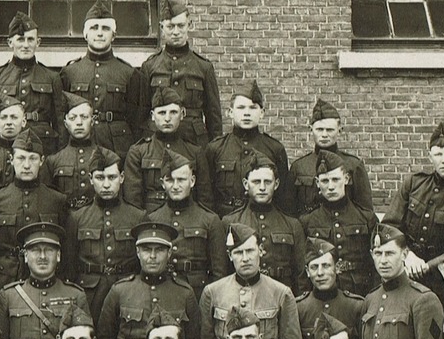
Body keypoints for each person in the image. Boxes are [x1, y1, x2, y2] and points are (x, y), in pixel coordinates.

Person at [383, 121, 444, 304]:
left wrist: (428, 266)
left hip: (437, 281)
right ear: (430, 157)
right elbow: (388, 227)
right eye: (438, 154)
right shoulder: (413, 183)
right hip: (402, 271)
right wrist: (407, 255)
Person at [96, 220, 203, 339]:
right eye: (146, 250)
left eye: (159, 250)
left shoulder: (184, 293)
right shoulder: (120, 291)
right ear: (138, 253)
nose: (152, 256)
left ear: (169, 253)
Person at [198, 223, 302, 339]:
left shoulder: (281, 292)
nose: (245, 258)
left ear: (261, 251)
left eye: (250, 251)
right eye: (238, 252)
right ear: (229, 256)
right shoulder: (212, 292)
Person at [0, 130, 68, 302]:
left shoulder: (56, 200)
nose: (27, 165)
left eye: (33, 158)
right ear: (11, 160)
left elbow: (66, 251)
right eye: (21, 158)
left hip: (46, 280)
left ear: (42, 161)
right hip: (4, 278)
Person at [0, 221, 90, 339]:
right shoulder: (9, 295)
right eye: (36, 250)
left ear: (58, 256)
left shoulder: (76, 295)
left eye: (49, 250)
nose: (43, 257)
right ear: (25, 256)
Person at [65, 147, 143, 320]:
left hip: (127, 293)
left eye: (112, 177)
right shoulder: (77, 218)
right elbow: (69, 266)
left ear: (122, 178)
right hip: (89, 294)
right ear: (91, 179)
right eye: (100, 178)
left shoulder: (137, 217)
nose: (106, 184)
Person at [132, 0, 221, 147]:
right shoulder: (150, 66)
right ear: (161, 28)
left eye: (181, 26)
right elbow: (142, 113)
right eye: (170, 26)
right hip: (158, 140)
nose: (176, 32)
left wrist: (215, 150)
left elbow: (214, 117)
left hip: (193, 141)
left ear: (189, 25)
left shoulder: (203, 67)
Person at [58, 0, 139, 158]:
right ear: (85, 34)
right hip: (80, 143)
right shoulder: (70, 72)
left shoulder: (128, 73)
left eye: (105, 28)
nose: (100, 33)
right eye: (94, 28)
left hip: (117, 145)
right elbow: (62, 116)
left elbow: (136, 119)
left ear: (114, 35)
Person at [0, 12, 64, 155]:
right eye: (20, 39)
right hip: (6, 148)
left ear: (38, 42)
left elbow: (60, 125)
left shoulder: (52, 77)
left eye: (31, 39)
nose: (26, 45)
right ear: (10, 42)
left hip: (43, 148)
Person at [204, 80, 291, 218]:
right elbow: (206, 196)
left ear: (262, 113)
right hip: (225, 220)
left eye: (252, 108)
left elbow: (284, 198)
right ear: (230, 113)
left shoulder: (275, 149)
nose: (246, 113)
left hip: (263, 219)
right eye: (241, 108)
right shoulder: (215, 149)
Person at [226, 154, 308, 294]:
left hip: (280, 295)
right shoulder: (230, 222)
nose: (262, 187)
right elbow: (224, 272)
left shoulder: (292, 225)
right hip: (243, 295)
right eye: (256, 182)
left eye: (267, 182)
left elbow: (301, 275)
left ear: (276, 184)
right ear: (246, 184)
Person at [301, 152, 379, 297]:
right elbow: (302, 267)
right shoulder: (308, 222)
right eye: (325, 181)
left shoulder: (366, 218)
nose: (330, 187)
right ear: (317, 183)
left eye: (335, 179)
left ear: (347, 179)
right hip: (322, 295)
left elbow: (377, 262)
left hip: (361, 292)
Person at [147, 151, 227, 293]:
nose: (175, 186)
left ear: (192, 181)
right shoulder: (153, 219)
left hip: (197, 292)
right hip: (162, 291)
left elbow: (219, 273)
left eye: (181, 180)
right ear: (162, 183)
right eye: (170, 180)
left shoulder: (210, 220)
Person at [124, 85, 211, 211]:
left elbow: (205, 199)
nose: (167, 118)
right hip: (151, 220)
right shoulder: (138, 152)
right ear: (153, 116)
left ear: (182, 114)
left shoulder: (195, 152)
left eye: (173, 112)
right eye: (162, 113)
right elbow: (133, 201)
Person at [286, 98, 374, 219]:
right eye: (320, 129)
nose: (324, 135)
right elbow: (289, 211)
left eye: (330, 130)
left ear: (340, 130)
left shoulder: (353, 165)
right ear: (311, 129)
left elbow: (365, 210)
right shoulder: (299, 167)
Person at [295, 236, 366, 339]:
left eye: (326, 266)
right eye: (314, 267)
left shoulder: (355, 306)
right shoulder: (299, 308)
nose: (320, 273)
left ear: (337, 268)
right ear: (307, 272)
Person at [44, 94, 103, 210]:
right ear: (66, 123)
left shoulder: (107, 157)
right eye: (73, 118)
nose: (79, 122)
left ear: (93, 121)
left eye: (84, 117)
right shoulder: (53, 161)